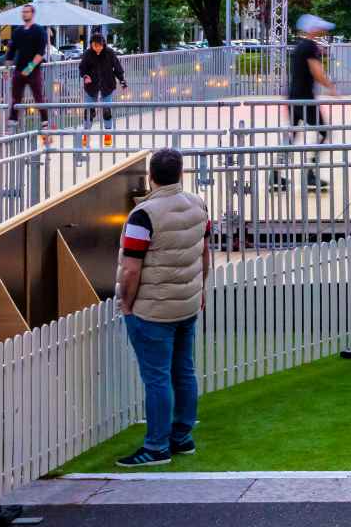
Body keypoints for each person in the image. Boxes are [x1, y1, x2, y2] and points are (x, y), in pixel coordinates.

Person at [113, 147, 209, 467]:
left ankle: (156, 447)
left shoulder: (143, 215)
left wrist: (126, 304)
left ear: (150, 176)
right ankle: (181, 437)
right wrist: (201, 290)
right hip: (187, 304)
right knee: (184, 371)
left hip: (152, 311)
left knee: (157, 379)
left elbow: (131, 269)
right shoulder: (198, 205)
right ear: (181, 173)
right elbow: (203, 254)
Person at [278, 14, 337, 191]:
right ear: (313, 30)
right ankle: (311, 172)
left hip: (293, 98)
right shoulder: (311, 47)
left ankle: (275, 173)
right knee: (324, 132)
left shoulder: (299, 47)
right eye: (320, 28)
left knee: (292, 136)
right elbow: (317, 72)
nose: (323, 31)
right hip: (305, 99)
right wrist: (331, 88)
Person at [6, 4, 51, 129]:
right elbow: (11, 51)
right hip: (19, 69)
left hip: (33, 70)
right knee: (16, 97)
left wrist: (30, 68)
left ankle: (45, 121)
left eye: (27, 12)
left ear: (32, 13)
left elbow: (40, 53)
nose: (24, 14)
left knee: (38, 96)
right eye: (23, 12)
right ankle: (13, 121)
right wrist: (6, 68)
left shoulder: (39, 31)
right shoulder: (18, 32)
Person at [78, 34, 128, 148]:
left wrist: (122, 80)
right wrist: (86, 76)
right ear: (91, 44)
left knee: (107, 109)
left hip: (107, 85)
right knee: (89, 111)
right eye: (96, 46)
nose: (98, 48)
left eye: (100, 46)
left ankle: (108, 134)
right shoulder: (87, 54)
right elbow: (82, 68)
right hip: (91, 86)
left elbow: (117, 67)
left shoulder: (109, 53)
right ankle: (86, 135)